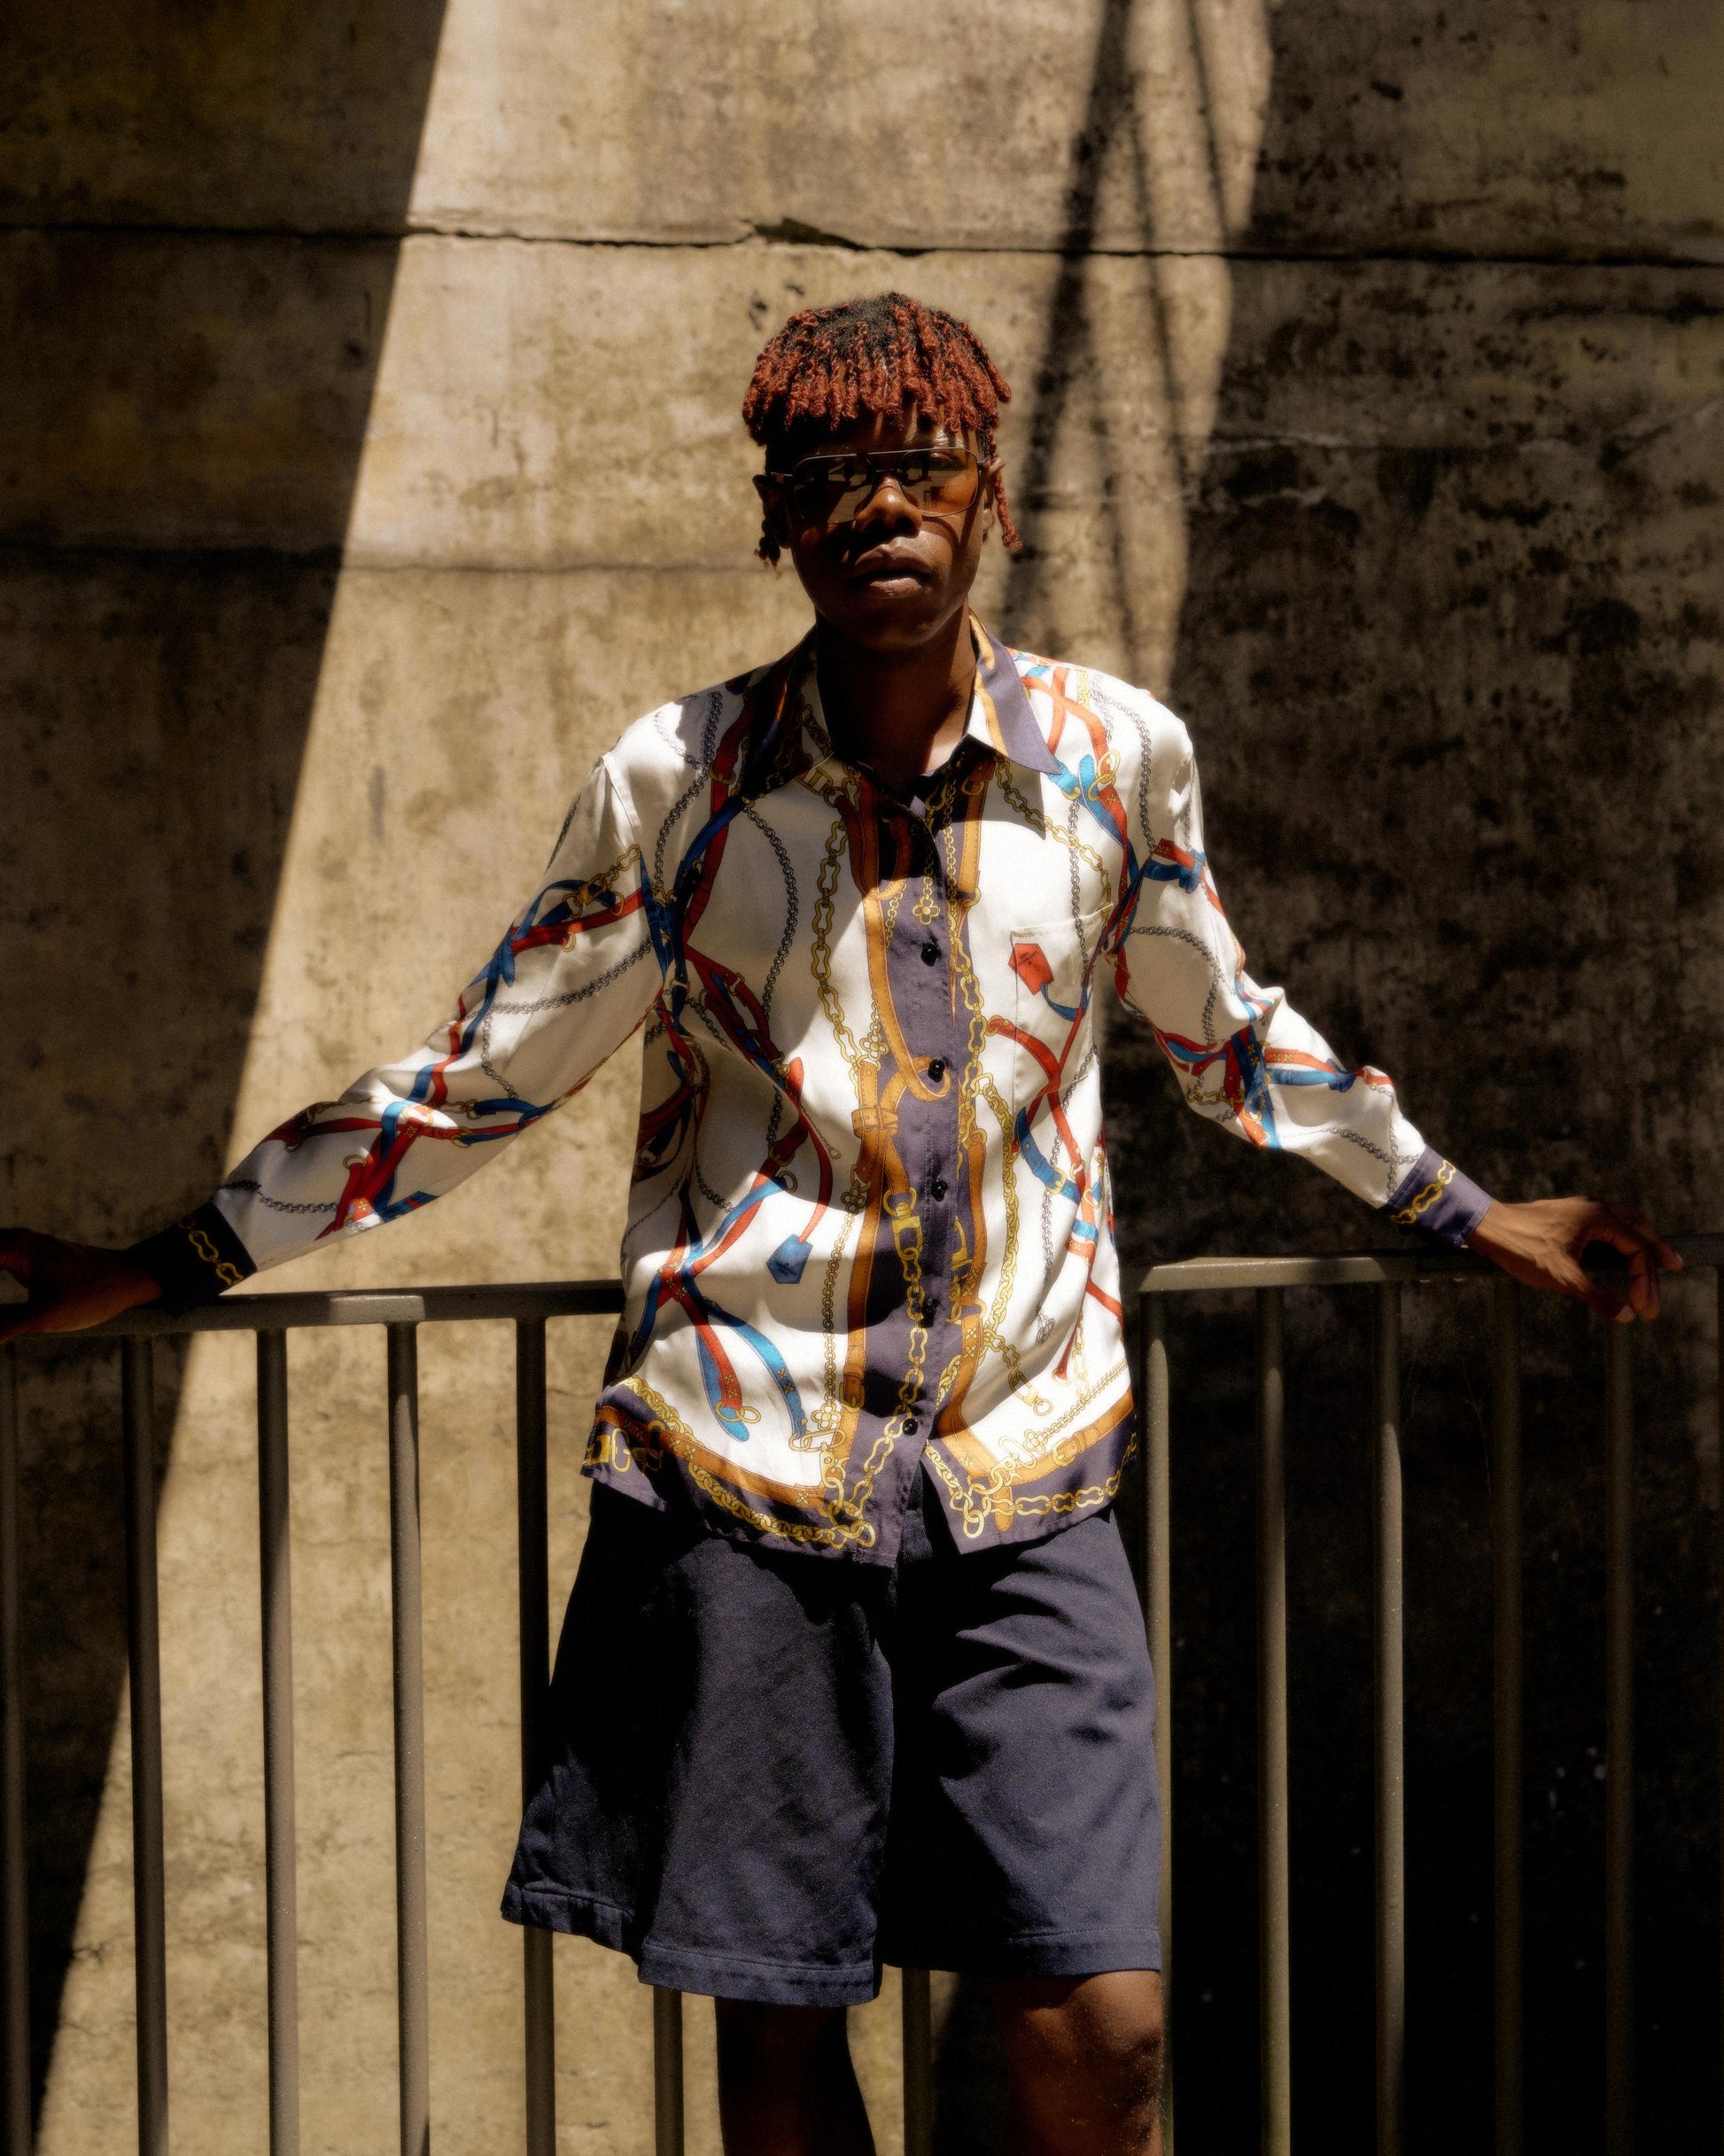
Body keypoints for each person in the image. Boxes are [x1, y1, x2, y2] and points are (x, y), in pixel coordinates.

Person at [0, 292, 1679, 2155]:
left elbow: (1225, 1033)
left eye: (916, 464)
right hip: (745, 1466)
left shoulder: (1114, 756)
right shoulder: (680, 782)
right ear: (775, 521)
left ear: (989, 492)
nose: (877, 503)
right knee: (784, 2036)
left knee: (1100, 2026)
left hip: (1027, 1468)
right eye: (825, 475)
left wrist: (1461, 1210)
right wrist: (172, 1260)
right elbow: (485, 1076)